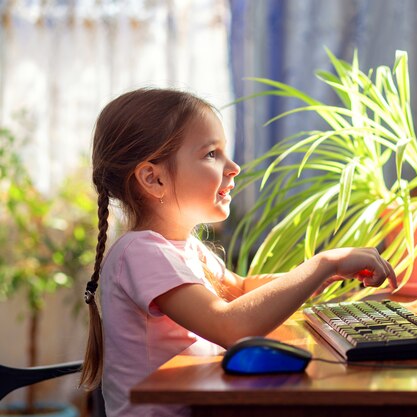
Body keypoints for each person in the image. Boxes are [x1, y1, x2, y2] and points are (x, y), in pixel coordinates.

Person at [78, 88, 397, 417]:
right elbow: (230, 326)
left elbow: (241, 290)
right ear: (153, 178)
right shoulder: (140, 252)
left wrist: (319, 277)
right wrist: (323, 263)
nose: (233, 167)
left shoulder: (185, 248)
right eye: (211, 154)